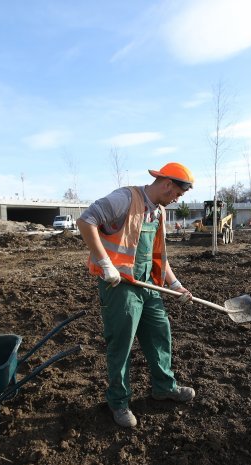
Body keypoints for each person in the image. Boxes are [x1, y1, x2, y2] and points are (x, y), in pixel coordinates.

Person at [77, 162, 196, 428]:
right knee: (121, 344)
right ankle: (118, 401)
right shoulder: (124, 199)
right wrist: (105, 263)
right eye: (178, 193)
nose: (177, 199)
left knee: (160, 333)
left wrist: (176, 285)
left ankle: (164, 387)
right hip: (119, 287)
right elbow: (85, 221)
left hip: (147, 285)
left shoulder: (159, 213)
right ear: (167, 184)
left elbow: (158, 257)